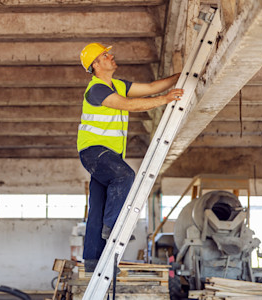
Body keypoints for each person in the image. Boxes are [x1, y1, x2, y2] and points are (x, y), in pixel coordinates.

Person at [77, 43, 184, 272]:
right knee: (125, 175)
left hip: (107, 155)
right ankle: (113, 226)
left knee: (97, 206)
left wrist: (181, 76)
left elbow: (152, 87)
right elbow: (127, 105)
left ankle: (92, 260)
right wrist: (165, 99)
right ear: (95, 65)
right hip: (94, 152)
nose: (111, 55)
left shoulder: (117, 85)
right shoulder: (96, 89)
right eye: (105, 55)